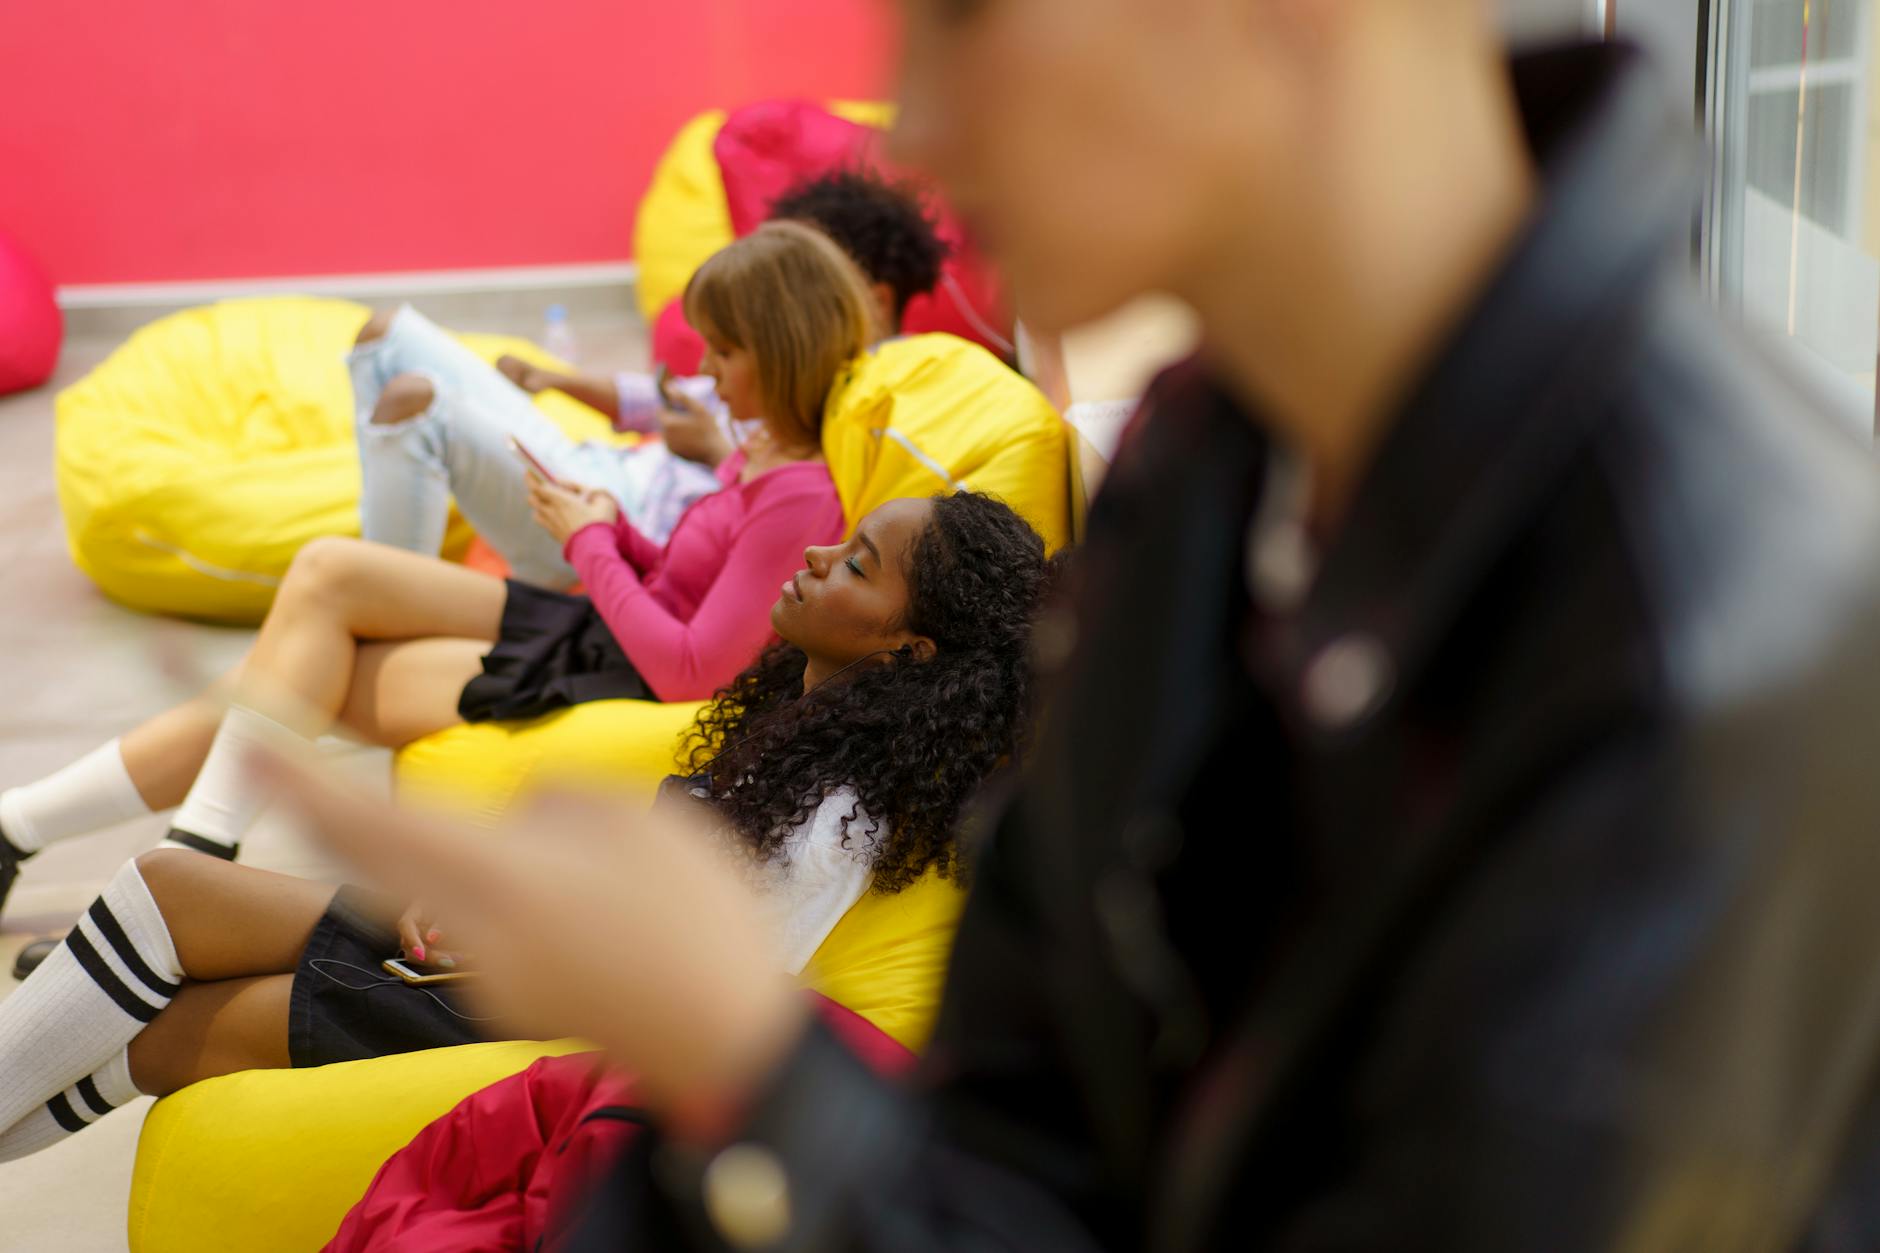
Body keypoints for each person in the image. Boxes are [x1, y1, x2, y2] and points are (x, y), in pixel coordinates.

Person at [252, 1, 1880, 1250]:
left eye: (969, 20)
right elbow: (1024, 1134)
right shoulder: (1206, 464)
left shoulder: (1707, 651)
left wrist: (748, 1066)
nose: (929, 130)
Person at [0, 491, 1054, 1162]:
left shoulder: (849, 808)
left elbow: (702, 975)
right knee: (171, 920)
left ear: (909, 650)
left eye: (857, 563)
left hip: (547, 1011)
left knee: (176, 981)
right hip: (529, 952)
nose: (820, 549)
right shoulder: (807, 721)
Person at [0, 221, 869, 918]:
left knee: (301, 655)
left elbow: (694, 669)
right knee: (314, 608)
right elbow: (687, 575)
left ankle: (161, 877)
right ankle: (139, 858)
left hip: (606, 656)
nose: (705, 371)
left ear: (782, 349)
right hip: (598, 617)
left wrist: (588, 544)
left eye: (725, 352)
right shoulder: (758, 451)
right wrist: (611, 531)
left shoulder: (798, 493)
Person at [356, 169, 949, 572]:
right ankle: (377, 577)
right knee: (385, 336)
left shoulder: (868, 393)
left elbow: (793, 517)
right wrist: (557, 379)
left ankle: (386, 595)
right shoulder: (771, 364)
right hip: (611, 468)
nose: (711, 367)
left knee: (413, 398)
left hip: (617, 516)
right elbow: (666, 396)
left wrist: (717, 451)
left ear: (867, 297)